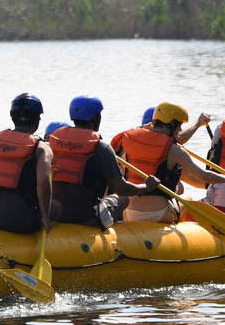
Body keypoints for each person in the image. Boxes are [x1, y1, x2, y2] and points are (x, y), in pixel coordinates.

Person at [116, 101, 225, 222]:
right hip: (158, 214)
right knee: (188, 199)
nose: (180, 129)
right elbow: (203, 176)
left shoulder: (129, 140)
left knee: (177, 188)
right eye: (179, 125)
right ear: (172, 124)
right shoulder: (175, 150)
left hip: (129, 212)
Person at [49, 95, 158, 229]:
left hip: (57, 214)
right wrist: (146, 186)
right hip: (86, 217)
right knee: (123, 199)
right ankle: (115, 236)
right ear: (95, 117)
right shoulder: (101, 147)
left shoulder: (53, 143)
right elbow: (122, 189)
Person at [0, 92, 57, 234]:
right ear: (38, 119)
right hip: (20, 220)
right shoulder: (41, 148)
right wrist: (45, 217)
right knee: (57, 206)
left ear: (12, 116)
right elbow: (43, 181)